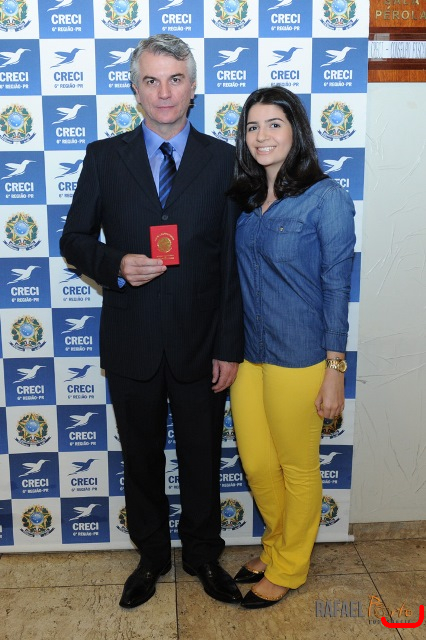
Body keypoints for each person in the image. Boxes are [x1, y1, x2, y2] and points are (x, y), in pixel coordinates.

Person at [60, 34, 244, 608]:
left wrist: (229, 346)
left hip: (202, 345)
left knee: (201, 459)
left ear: (193, 88)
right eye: (151, 80)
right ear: (135, 90)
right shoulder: (103, 156)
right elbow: (73, 240)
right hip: (132, 341)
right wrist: (115, 264)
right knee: (140, 460)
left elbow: (232, 263)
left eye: (175, 79)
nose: (164, 92)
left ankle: (204, 555)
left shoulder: (224, 160)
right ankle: (151, 557)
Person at [228, 87, 356, 609]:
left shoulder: (327, 198)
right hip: (248, 356)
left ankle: (289, 566)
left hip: (301, 356)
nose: (262, 136)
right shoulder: (245, 201)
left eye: (274, 124)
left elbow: (336, 286)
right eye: (252, 127)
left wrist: (335, 368)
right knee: (259, 464)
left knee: (298, 468)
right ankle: (276, 543)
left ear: (296, 130)